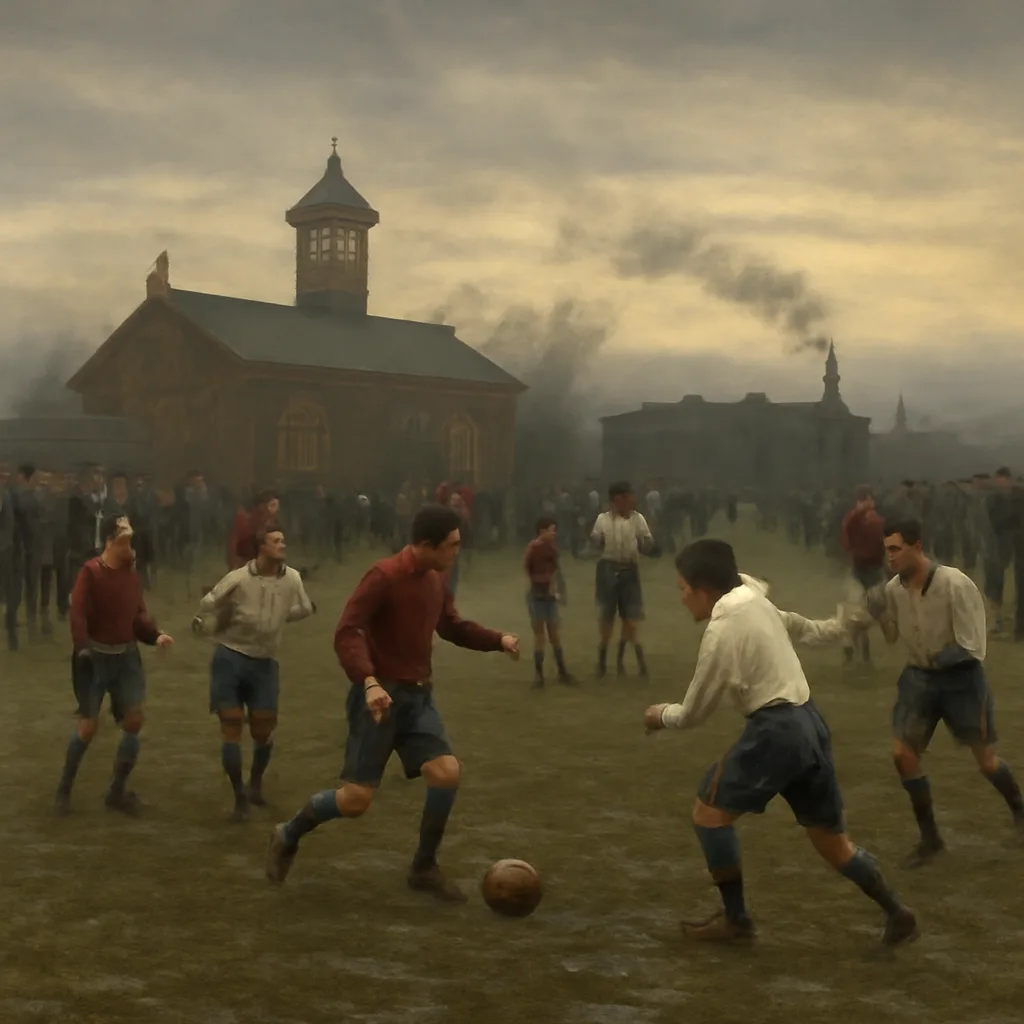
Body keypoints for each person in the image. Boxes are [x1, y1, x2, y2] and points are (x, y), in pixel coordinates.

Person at [644, 539, 917, 946]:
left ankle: (736, 922)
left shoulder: (722, 630)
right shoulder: (755, 601)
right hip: (810, 724)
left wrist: (658, 715)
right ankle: (898, 913)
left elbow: (692, 713)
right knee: (835, 846)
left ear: (703, 589)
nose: (681, 597)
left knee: (708, 814)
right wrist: (847, 622)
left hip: (776, 732)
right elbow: (806, 629)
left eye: (683, 588)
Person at [265, 504, 519, 900]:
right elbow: (348, 631)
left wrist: (497, 640)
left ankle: (423, 868)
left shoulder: (435, 578)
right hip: (379, 699)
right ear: (426, 544)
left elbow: (451, 625)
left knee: (446, 773)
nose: (457, 551)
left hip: (418, 697)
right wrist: (368, 681)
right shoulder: (383, 576)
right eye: (452, 545)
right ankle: (289, 832)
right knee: (355, 801)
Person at [864, 517, 1024, 866]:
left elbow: (974, 645)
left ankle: (1020, 812)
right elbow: (891, 637)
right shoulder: (894, 589)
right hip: (919, 679)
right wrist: (879, 615)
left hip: (961, 680)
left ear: (917, 546)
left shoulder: (954, 583)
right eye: (886, 550)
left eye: (896, 549)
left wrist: (940, 657)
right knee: (902, 755)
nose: (890, 557)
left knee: (986, 760)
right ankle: (931, 839)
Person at [55, 513, 174, 815]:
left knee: (134, 720)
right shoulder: (90, 573)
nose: (130, 546)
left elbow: (138, 615)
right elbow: (77, 614)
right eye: (124, 540)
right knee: (87, 728)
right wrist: (82, 647)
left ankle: (117, 792)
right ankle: (63, 790)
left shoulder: (131, 574)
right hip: (94, 659)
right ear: (109, 541)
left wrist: (155, 635)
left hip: (126, 658)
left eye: (131, 540)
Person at [194, 525, 315, 820]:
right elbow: (208, 602)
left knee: (263, 730)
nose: (282, 545)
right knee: (231, 726)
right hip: (230, 658)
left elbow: (304, 608)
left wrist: (279, 617)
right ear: (262, 547)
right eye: (276, 541)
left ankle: (255, 785)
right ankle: (239, 797)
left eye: (283, 540)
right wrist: (221, 612)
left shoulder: (293, 578)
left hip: (264, 662)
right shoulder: (238, 578)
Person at [591, 481, 658, 678]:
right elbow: (596, 542)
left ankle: (628, 660)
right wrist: (593, 540)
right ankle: (602, 663)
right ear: (617, 499)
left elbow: (647, 543)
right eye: (627, 497)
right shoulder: (602, 519)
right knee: (606, 619)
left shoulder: (638, 519)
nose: (631, 500)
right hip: (607, 570)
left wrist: (650, 546)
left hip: (629, 571)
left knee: (631, 619)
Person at [839, 485, 887, 669]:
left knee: (863, 616)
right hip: (861, 572)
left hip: (869, 572)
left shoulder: (874, 521)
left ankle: (858, 654)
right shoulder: (858, 520)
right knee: (854, 614)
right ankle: (855, 654)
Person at [523, 515, 572, 688]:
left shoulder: (551, 548)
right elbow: (528, 569)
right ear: (542, 531)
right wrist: (543, 581)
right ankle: (539, 675)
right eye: (552, 530)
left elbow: (556, 570)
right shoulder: (533, 548)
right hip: (537, 596)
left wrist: (559, 589)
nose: (554, 533)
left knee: (554, 634)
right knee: (540, 635)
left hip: (549, 596)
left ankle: (562, 671)